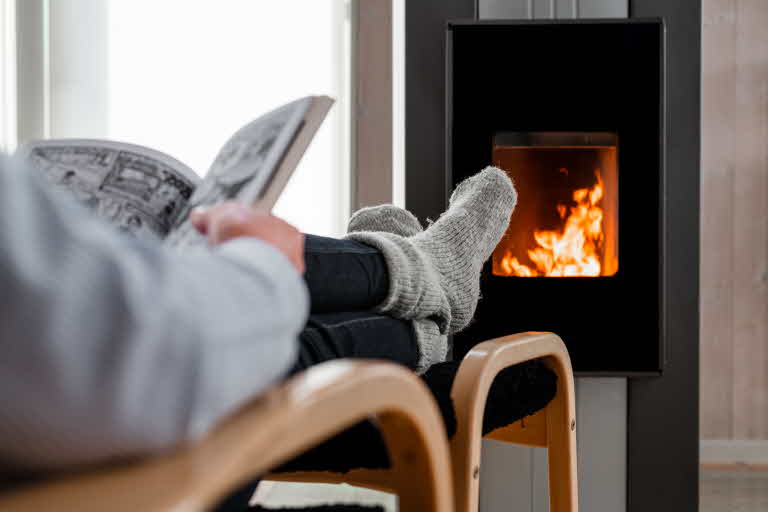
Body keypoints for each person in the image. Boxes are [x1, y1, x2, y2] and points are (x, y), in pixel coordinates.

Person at [0, 154, 515, 480]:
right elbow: (158, 349)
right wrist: (263, 261)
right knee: (281, 343)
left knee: (200, 281)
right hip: (148, 450)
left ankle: (423, 287)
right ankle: (431, 278)